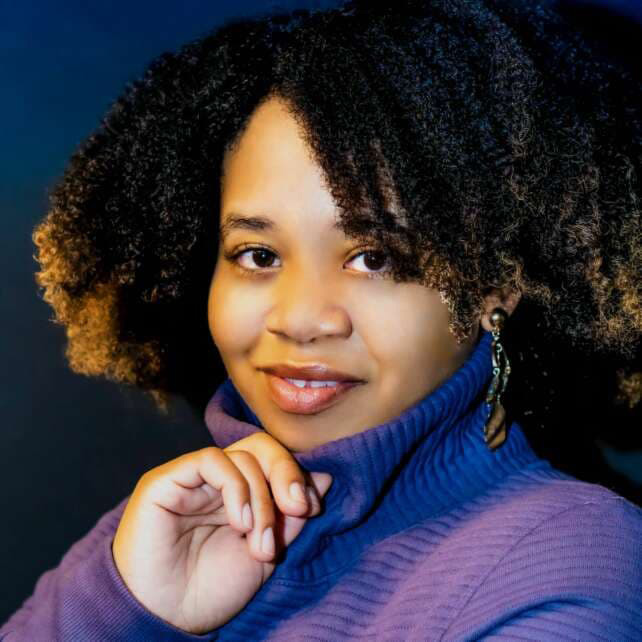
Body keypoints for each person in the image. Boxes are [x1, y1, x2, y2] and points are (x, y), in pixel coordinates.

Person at [3, 0, 641, 639]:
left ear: (495, 286)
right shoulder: (155, 537)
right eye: (258, 255)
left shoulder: (574, 563)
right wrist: (129, 610)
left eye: (373, 257)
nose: (302, 319)